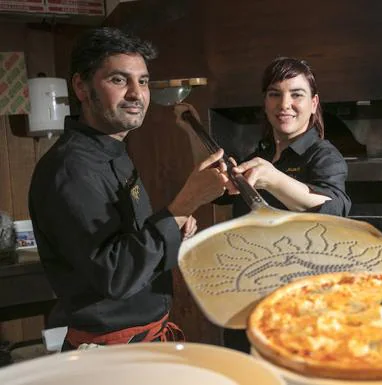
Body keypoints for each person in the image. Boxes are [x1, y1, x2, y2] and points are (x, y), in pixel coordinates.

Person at [28, 27, 230, 351]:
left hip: (148, 337)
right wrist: (182, 206)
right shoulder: (69, 170)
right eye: (119, 80)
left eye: (144, 81)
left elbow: (129, 242)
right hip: (110, 351)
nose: (137, 93)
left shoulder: (115, 151)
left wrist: (175, 227)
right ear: (81, 86)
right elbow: (116, 274)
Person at [175, 56, 351, 352]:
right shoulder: (262, 151)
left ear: (314, 102)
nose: (285, 104)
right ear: (265, 102)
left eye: (297, 94)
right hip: (249, 291)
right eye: (275, 94)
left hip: (300, 302)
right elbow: (216, 188)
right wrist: (192, 132)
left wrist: (274, 179)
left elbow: (335, 209)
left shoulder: (323, 155)